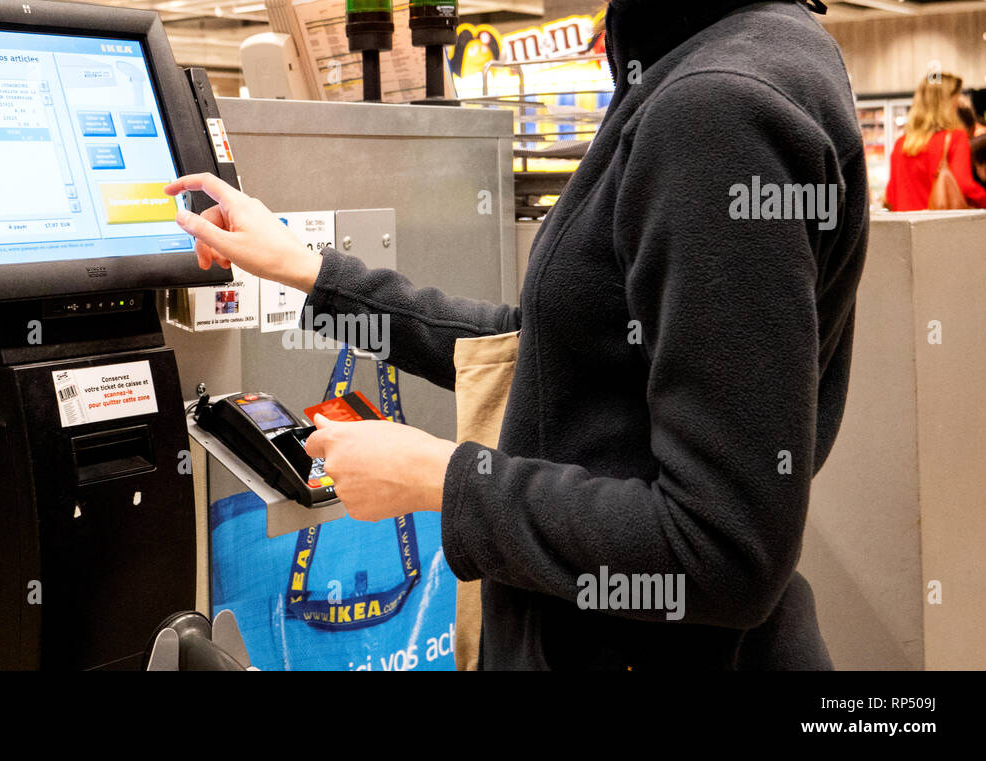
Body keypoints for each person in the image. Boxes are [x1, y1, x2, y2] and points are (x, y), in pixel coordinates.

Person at [166, 0, 868, 670]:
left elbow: (721, 551)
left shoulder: (714, 107)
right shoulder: (742, 52)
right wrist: (313, 273)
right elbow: (556, 351)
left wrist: (439, 478)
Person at [885, 73, 986, 210]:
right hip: (939, 226)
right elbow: (964, 185)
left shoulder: (901, 144)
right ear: (948, 103)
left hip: (906, 227)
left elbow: (891, 196)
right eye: (956, 99)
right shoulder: (955, 138)